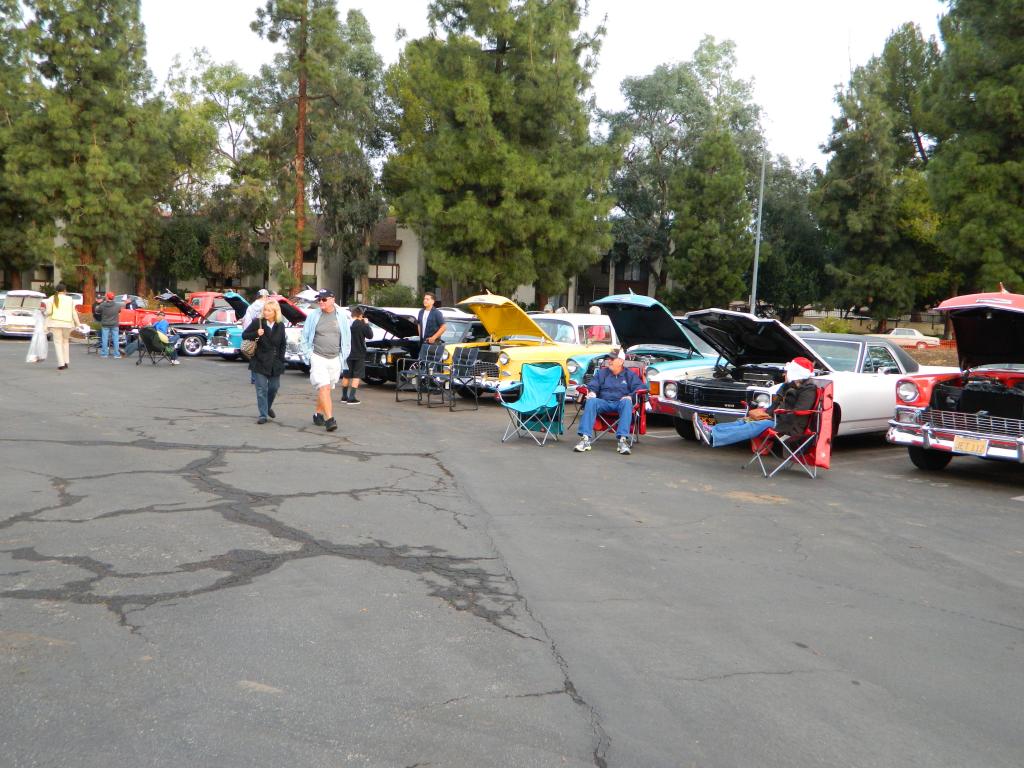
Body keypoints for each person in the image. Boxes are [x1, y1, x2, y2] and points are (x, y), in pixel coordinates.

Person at [691, 357, 819, 447]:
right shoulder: (788, 386)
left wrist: (774, 414)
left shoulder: (808, 389)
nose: (784, 374)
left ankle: (713, 436)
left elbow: (800, 410)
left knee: (754, 425)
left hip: (791, 425)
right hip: (777, 418)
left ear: (796, 373)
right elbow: (775, 404)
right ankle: (709, 430)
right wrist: (768, 413)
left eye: (786, 372)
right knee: (744, 421)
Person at [574, 348, 647, 456]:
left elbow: (640, 387)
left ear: (621, 361)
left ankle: (622, 441)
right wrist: (593, 392)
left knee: (627, 402)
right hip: (603, 402)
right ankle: (585, 439)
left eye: (613, 359)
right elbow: (593, 385)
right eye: (609, 358)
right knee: (591, 401)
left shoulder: (629, 375)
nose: (609, 361)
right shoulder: (602, 373)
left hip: (620, 403)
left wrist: (630, 396)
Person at [300, 289, 351, 432]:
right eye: (319, 300)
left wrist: (344, 355)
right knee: (324, 387)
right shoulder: (313, 316)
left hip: (335, 358)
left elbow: (347, 338)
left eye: (323, 299)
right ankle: (330, 419)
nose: (320, 302)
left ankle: (318, 413)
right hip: (318, 356)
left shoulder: (341, 316)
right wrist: (309, 354)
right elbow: (304, 337)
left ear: (332, 300)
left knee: (327, 389)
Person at [241, 299, 287, 424]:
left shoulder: (280, 325)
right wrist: (256, 333)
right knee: (262, 389)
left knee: (274, 387)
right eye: (265, 310)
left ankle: (267, 407)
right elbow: (244, 335)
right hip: (259, 360)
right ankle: (263, 415)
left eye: (269, 310)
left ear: (275, 312)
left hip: (275, 361)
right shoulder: (258, 322)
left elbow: (283, 344)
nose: (266, 312)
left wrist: (281, 359)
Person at [341, 306, 373, 405]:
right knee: (356, 375)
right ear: (360, 315)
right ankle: (352, 397)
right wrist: (367, 324)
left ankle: (344, 396)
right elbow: (370, 335)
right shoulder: (362, 325)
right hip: (359, 353)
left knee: (346, 375)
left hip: (347, 353)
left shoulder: (347, 324)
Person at [45, 283, 81, 370]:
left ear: (56, 291)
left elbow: (49, 312)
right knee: (65, 342)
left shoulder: (51, 298)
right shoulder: (70, 299)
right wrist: (78, 324)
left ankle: (61, 364)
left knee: (58, 343)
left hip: (55, 323)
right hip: (67, 324)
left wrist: (43, 313)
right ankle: (66, 361)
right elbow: (73, 312)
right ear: (65, 290)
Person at [97, 292, 123, 358]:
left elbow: (97, 310)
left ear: (107, 297)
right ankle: (116, 354)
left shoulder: (102, 305)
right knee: (116, 340)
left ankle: (104, 354)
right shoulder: (117, 305)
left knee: (104, 339)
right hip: (114, 324)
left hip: (105, 324)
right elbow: (119, 311)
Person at [26, 299, 48, 364]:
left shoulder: (43, 313)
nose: (42, 309)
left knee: (41, 342)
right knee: (37, 342)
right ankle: (36, 356)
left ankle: (40, 355)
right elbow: (35, 318)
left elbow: (45, 318)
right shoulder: (37, 312)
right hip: (39, 329)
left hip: (41, 330)